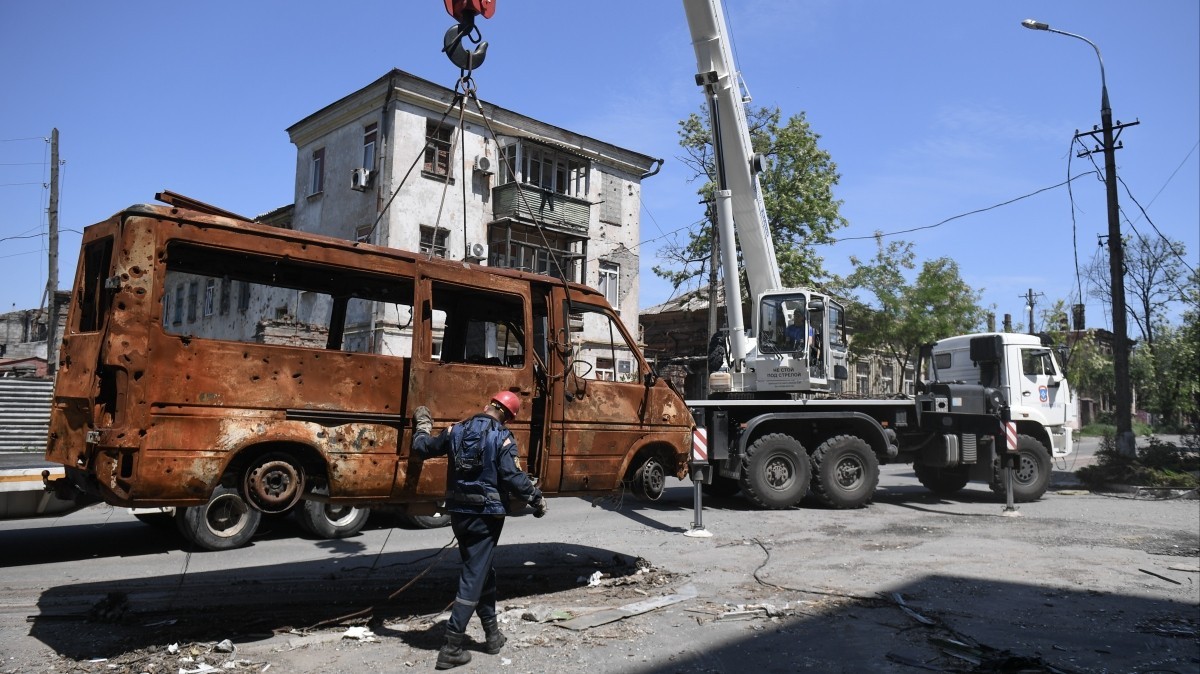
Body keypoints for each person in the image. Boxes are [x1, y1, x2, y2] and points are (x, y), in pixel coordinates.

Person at [411, 391, 548, 670]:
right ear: (508, 417)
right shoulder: (503, 437)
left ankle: (492, 636)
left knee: (484, 570)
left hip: (460, 515)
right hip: (486, 517)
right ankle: (451, 646)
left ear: (488, 405)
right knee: (474, 576)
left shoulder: (455, 430)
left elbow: (423, 448)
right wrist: (536, 497)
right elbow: (512, 476)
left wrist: (422, 426)